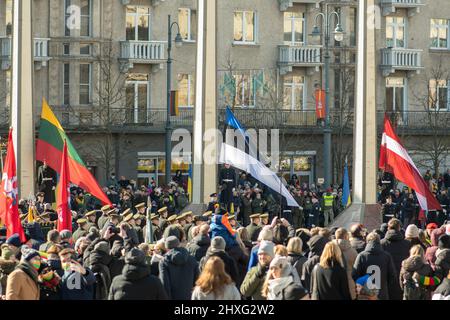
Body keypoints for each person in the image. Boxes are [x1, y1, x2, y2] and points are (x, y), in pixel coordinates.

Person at [352, 232, 400, 300]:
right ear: (379, 241)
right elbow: (393, 275)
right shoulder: (386, 256)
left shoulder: (361, 256)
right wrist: (384, 285)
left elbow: (354, 274)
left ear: (367, 241)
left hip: (365, 295)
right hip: (382, 293)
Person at [334, 228, 358, 300]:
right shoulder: (353, 251)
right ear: (346, 236)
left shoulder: (329, 249)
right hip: (349, 285)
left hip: (333, 284)